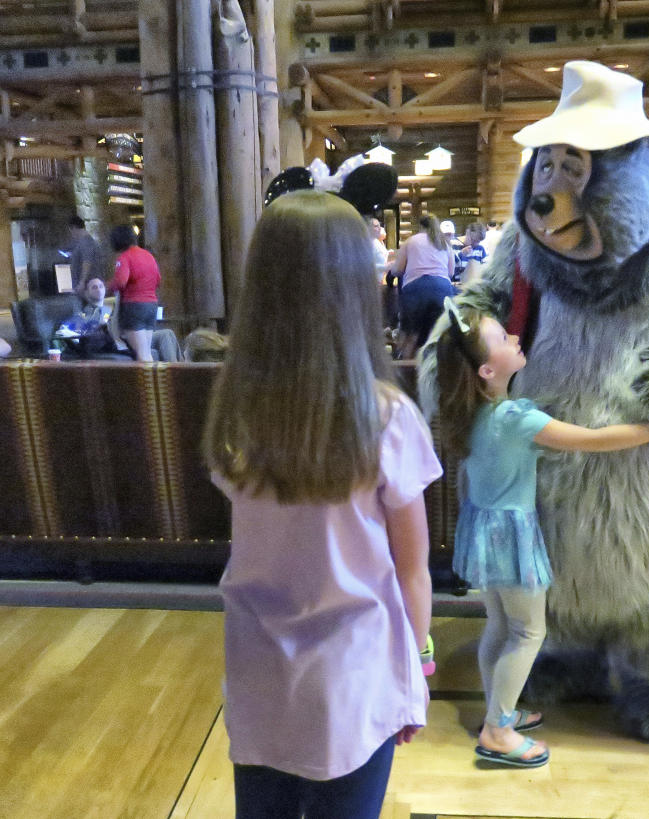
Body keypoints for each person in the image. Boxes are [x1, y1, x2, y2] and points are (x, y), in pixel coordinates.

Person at [204, 190, 440, 819]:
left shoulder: (236, 410)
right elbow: (412, 567)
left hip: (257, 663)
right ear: (353, 289)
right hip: (355, 673)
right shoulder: (386, 417)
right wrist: (417, 663)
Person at [433, 300, 649, 768]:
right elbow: (592, 440)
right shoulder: (517, 419)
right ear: (486, 369)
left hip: (485, 530)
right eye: (504, 340)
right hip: (512, 536)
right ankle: (498, 731)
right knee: (527, 631)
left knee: (501, 627)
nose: (516, 338)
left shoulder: (477, 414)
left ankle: (497, 712)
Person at [389, 214, 456, 359]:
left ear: (420, 227)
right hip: (442, 290)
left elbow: (397, 270)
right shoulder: (444, 243)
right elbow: (450, 272)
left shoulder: (411, 241)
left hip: (416, 289)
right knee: (436, 336)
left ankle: (406, 375)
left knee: (411, 336)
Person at [106, 225, 161, 362]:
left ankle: (147, 383)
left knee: (142, 356)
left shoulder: (124, 257)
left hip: (134, 306)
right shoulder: (148, 255)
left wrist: (106, 286)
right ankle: (153, 380)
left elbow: (121, 281)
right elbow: (158, 280)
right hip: (151, 305)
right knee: (147, 352)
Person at [67, 215, 103, 291]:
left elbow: (87, 262)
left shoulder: (86, 242)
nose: (71, 234)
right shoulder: (85, 242)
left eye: (70, 231)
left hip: (88, 287)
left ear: (74, 228)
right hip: (88, 286)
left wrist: (82, 282)